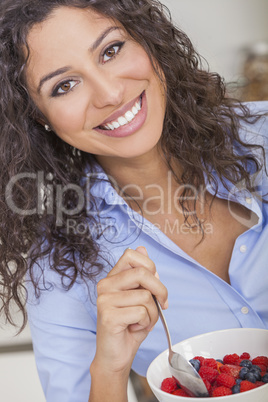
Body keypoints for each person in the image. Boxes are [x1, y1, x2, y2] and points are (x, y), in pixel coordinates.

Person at [0, 0, 267, 401]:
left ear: (147, 40)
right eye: (64, 86)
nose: (110, 93)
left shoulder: (261, 136)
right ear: (39, 117)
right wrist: (110, 367)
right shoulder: (57, 264)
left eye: (111, 50)